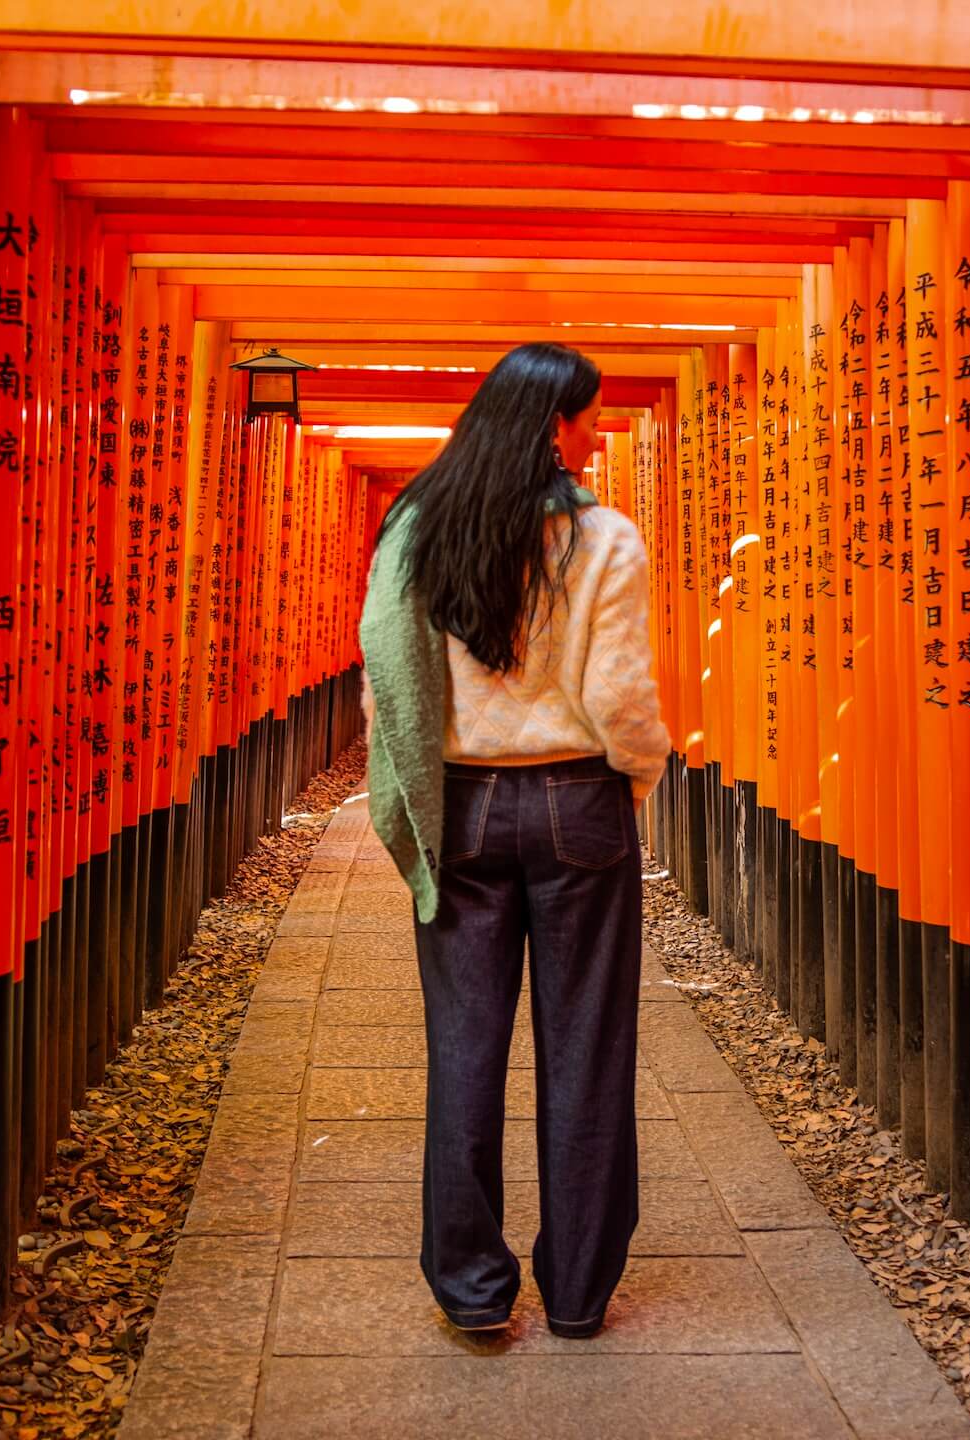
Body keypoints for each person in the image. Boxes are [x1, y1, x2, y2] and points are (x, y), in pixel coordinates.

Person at [359, 341, 670, 1341]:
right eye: (586, 418)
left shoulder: (419, 528)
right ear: (551, 428)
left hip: (463, 809)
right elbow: (619, 698)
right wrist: (643, 774)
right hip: (577, 806)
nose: (594, 433)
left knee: (464, 1048)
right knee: (586, 1047)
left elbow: (388, 677)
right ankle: (578, 1294)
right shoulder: (606, 540)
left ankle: (473, 1291)